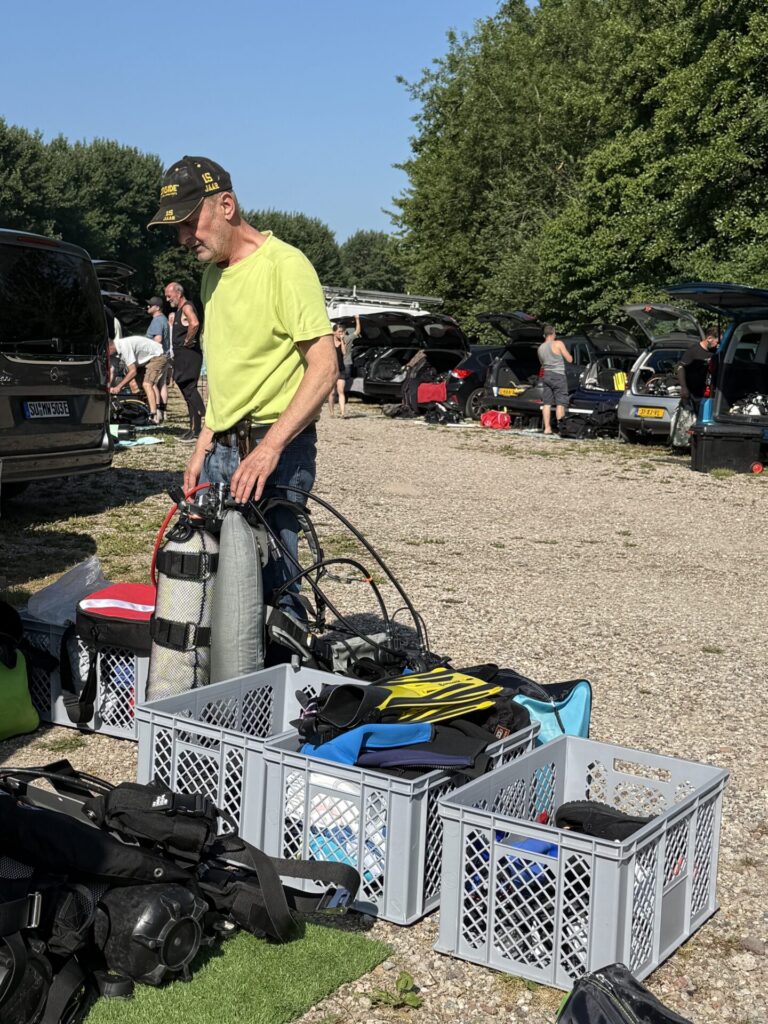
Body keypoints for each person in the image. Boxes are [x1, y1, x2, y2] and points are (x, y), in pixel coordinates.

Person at [148, 155, 336, 616]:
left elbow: (324, 368)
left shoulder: (285, 266)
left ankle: (283, 661)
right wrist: (203, 445)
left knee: (274, 591)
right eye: (176, 228)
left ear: (227, 206)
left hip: (276, 452)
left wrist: (270, 449)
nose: (183, 237)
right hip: (221, 452)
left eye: (189, 222)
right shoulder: (212, 276)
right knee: (213, 588)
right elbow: (227, 374)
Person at [164, 281, 206, 443]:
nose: (167, 299)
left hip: (189, 355)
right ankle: (194, 429)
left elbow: (194, 323)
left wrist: (188, 340)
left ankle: (204, 415)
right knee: (186, 390)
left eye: (169, 296)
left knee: (189, 387)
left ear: (178, 293)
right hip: (182, 356)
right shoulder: (179, 310)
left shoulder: (187, 307)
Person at [108, 329, 168, 423]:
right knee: (138, 387)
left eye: (106, 352)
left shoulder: (123, 346)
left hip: (158, 356)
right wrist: (108, 388)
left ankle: (154, 415)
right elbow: (112, 371)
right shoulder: (114, 353)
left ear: (110, 347)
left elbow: (133, 372)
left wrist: (118, 387)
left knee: (147, 384)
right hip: (143, 361)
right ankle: (143, 412)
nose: (105, 355)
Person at [537, 324, 572, 436]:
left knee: (547, 403)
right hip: (558, 376)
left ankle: (547, 429)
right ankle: (561, 429)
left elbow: (542, 363)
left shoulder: (540, 347)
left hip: (546, 376)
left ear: (545, 335)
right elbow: (570, 359)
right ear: (553, 333)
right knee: (560, 403)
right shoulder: (558, 343)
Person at [676, 326, 719, 411]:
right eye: (717, 342)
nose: (718, 345)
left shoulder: (715, 352)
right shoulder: (693, 351)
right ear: (709, 338)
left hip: (709, 394)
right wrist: (684, 387)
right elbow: (681, 368)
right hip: (694, 395)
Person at [328, 321, 352, 418]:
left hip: (341, 370)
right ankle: (331, 412)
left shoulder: (343, 342)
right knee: (332, 392)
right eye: (339, 332)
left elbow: (344, 352)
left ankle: (342, 413)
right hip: (331, 370)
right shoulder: (329, 343)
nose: (341, 334)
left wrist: (342, 340)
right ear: (334, 332)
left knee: (341, 391)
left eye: (342, 332)